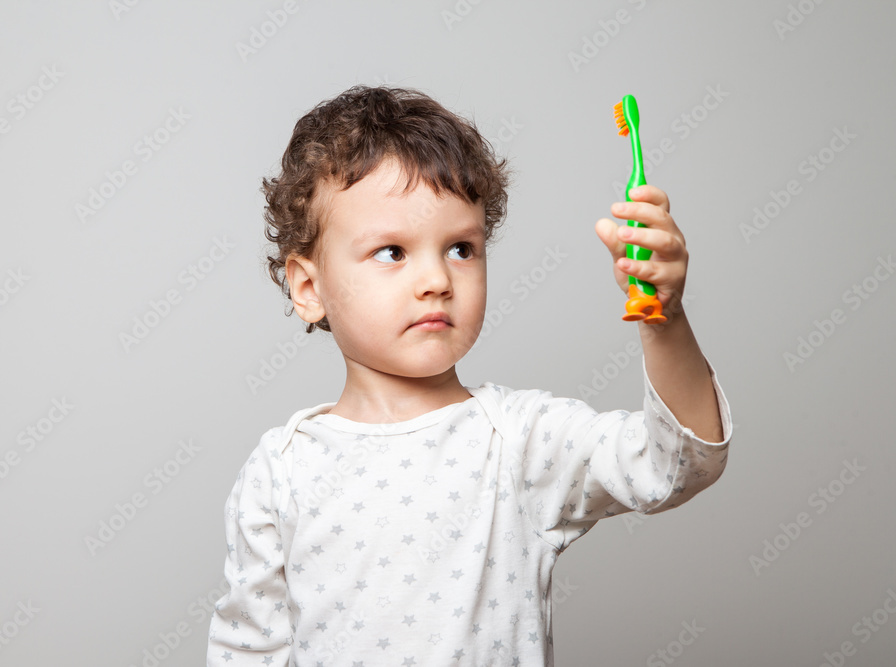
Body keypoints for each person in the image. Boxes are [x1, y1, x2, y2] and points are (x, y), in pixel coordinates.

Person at [206, 84, 732, 665]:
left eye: (460, 248)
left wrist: (665, 320)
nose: (436, 279)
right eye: (392, 252)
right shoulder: (280, 471)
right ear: (309, 288)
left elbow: (679, 463)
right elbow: (248, 650)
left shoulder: (521, 442)